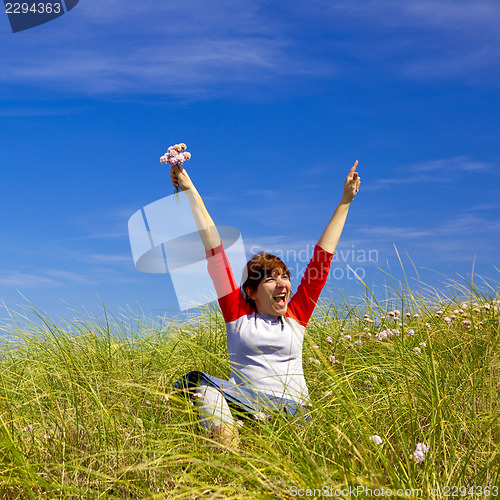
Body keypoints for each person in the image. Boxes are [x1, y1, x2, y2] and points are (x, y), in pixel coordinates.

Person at [171, 160, 361, 447]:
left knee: (207, 387)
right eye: (272, 280)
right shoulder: (238, 315)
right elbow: (215, 251)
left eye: (285, 277)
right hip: (248, 404)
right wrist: (190, 190)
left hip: (293, 411)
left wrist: (345, 202)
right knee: (201, 383)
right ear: (252, 290)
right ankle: (227, 449)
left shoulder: (297, 314)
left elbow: (322, 259)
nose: (283, 284)